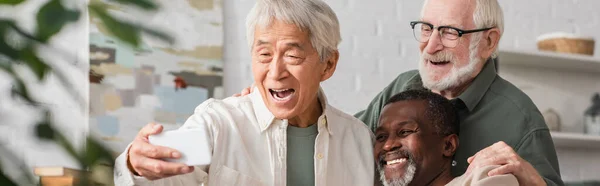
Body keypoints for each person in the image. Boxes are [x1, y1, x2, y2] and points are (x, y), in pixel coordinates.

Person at [112, 0, 374, 185]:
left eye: (293, 55)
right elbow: (158, 177)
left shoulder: (358, 141)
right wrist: (136, 164)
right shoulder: (218, 124)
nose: (275, 71)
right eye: (264, 54)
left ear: (328, 65)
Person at [356, 0, 563, 185]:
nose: (431, 46)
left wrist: (530, 177)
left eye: (449, 32)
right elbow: (346, 143)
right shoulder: (403, 86)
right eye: (427, 28)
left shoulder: (521, 119)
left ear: (489, 42)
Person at [375, 90, 518, 186]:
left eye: (405, 132)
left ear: (448, 146)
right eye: (381, 136)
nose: (388, 145)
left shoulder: (486, 178)